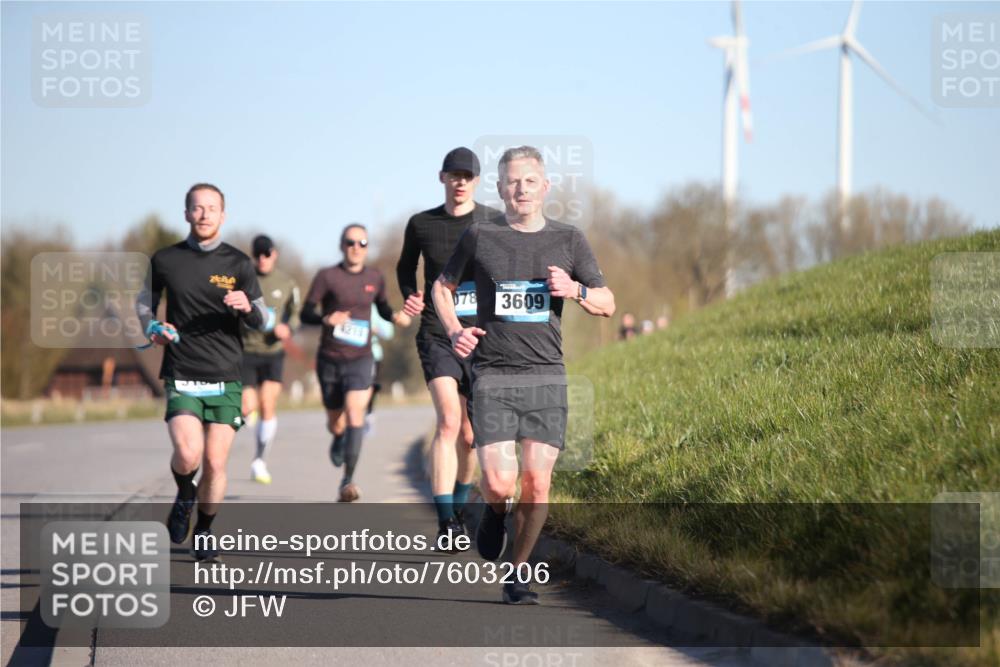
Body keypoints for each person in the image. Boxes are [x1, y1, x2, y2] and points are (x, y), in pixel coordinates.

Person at [432, 146, 615, 603]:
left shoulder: (569, 239)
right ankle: (495, 510)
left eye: (530, 181)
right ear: (499, 189)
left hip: (546, 376)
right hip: (493, 375)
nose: (522, 189)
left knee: (538, 481)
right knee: (498, 482)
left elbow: (607, 303)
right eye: (513, 181)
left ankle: (518, 572)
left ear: (545, 187)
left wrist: (575, 290)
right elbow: (441, 286)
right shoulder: (480, 236)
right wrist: (455, 330)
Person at [137, 183, 268, 561]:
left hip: (226, 375)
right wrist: (152, 328)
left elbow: (261, 320)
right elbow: (145, 303)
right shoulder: (164, 260)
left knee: (214, 462)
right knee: (188, 452)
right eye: (197, 208)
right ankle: (185, 493)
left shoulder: (239, 264)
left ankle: (206, 529)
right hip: (182, 371)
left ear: (223, 215)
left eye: (212, 208)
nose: (205, 214)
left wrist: (247, 307)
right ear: (186, 214)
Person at [397, 146, 503, 548]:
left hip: (483, 336)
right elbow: (405, 268)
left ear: (476, 181)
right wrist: (410, 294)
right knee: (447, 421)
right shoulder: (422, 224)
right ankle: (445, 523)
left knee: (471, 435)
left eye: (467, 176)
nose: (459, 182)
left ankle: (458, 508)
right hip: (438, 331)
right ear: (442, 178)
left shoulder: (494, 222)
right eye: (453, 175)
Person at [300, 224, 409, 502]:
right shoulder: (327, 277)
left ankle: (348, 480)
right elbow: (306, 314)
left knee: (355, 413)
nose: (356, 248)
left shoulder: (375, 277)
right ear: (341, 245)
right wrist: (327, 319)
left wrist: (395, 316)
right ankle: (338, 437)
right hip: (330, 359)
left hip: (361, 358)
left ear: (367, 247)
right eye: (350, 242)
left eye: (362, 243)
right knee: (336, 422)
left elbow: (382, 307)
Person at [241, 234, 301, 485]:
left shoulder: (287, 283)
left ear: (274, 254)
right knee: (247, 406)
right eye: (258, 255)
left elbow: (295, 315)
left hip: (273, 352)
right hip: (245, 349)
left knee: (268, 404)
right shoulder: (244, 279)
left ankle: (259, 461)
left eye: (267, 254)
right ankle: (246, 413)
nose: (262, 259)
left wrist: (287, 329)